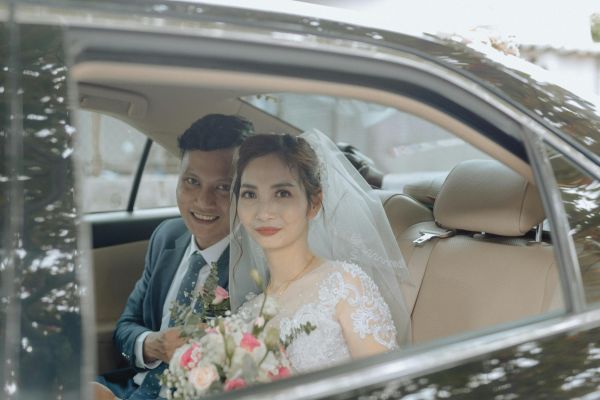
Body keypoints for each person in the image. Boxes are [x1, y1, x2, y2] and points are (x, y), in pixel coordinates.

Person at [94, 114, 254, 400]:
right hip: (129, 387)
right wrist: (152, 344)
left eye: (222, 187)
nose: (203, 201)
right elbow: (125, 327)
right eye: (192, 181)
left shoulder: (256, 265)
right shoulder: (166, 236)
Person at [228, 130, 411, 373]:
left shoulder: (344, 287)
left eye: (282, 193)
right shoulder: (246, 314)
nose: (264, 212)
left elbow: (390, 387)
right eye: (250, 194)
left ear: (313, 204)